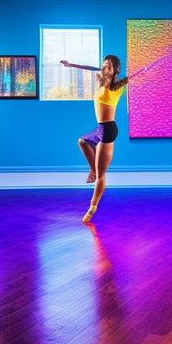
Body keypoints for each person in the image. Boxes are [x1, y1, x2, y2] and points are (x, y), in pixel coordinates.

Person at [61, 55, 128, 223]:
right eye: (104, 66)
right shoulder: (100, 83)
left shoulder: (117, 86)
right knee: (82, 141)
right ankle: (93, 169)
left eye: (110, 67)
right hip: (99, 129)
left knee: (101, 175)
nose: (106, 69)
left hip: (108, 130)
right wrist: (71, 64)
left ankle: (92, 208)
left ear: (115, 71)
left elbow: (129, 79)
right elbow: (87, 67)